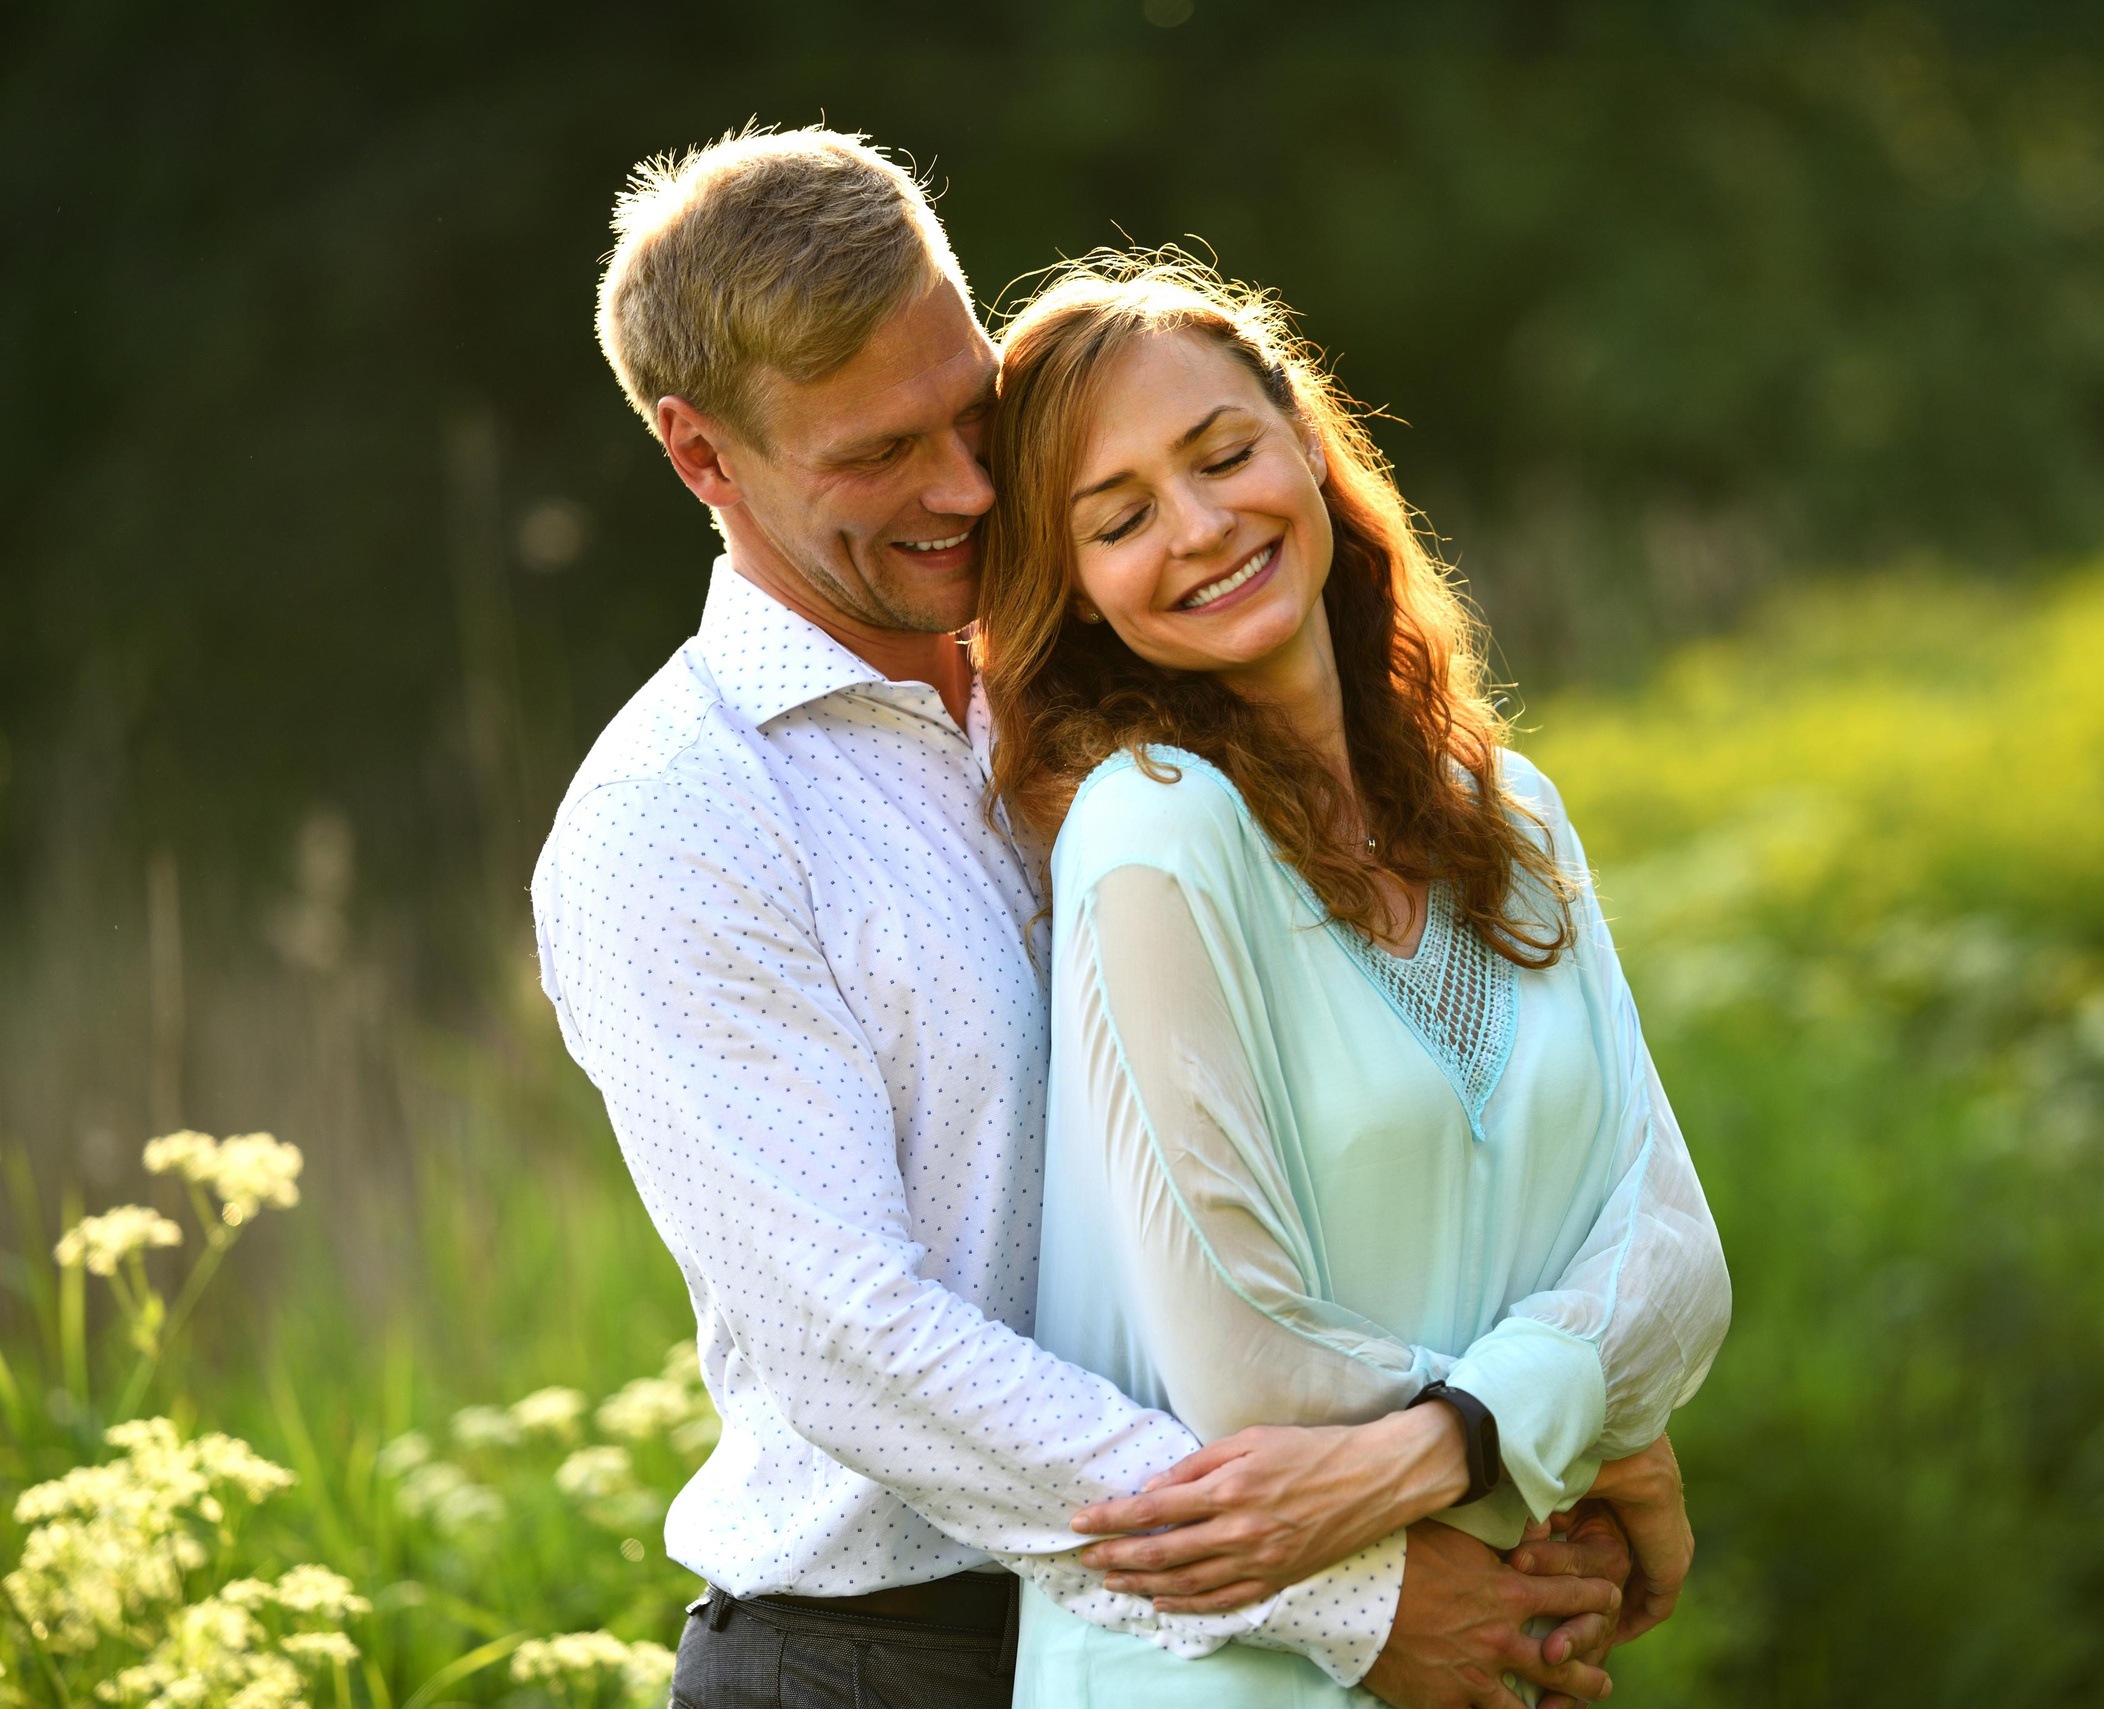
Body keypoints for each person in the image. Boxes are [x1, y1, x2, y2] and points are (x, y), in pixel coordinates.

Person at [531, 126, 1664, 1709]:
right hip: (901, 1657)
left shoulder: (1113, 672)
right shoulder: (680, 817)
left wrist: (1565, 1430)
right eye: (875, 456)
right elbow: (858, 1342)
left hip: (1233, 1624)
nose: (962, 489)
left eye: (970, 411)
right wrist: (1354, 1582)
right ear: (702, 457)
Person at [972, 258, 1732, 1709]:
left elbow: (1678, 1256)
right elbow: (1242, 1366)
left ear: (1307, 442)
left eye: (1225, 453)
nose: (1199, 528)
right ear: (1071, 588)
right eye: (1120, 517)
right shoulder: (1153, 829)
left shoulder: (1509, 814)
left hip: (1496, 1647)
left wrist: (1479, 1434)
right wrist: (1584, 1433)